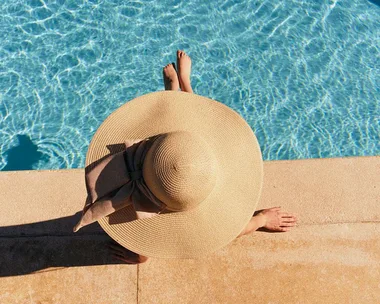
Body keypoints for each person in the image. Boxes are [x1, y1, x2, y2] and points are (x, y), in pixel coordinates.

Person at [105, 50, 297, 264]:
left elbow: (230, 230)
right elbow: (231, 230)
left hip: (161, 170)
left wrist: (141, 255)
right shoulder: (189, 168)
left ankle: (177, 91)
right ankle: (181, 87)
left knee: (185, 139)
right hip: (172, 162)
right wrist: (259, 219)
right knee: (184, 139)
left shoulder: (172, 181)